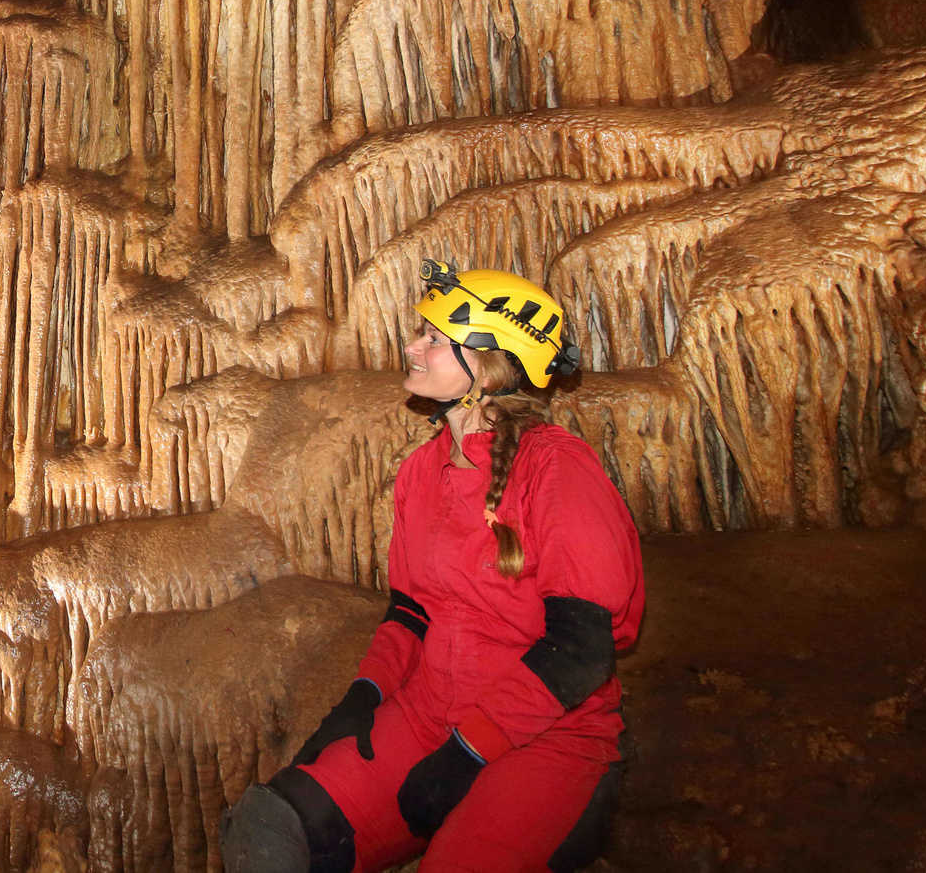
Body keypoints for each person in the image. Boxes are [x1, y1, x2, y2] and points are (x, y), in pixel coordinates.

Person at [219, 260, 644, 873]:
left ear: (491, 368)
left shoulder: (557, 470)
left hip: (546, 742)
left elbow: (579, 650)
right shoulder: (423, 472)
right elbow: (410, 616)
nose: (412, 347)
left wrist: (469, 753)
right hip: (429, 717)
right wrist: (360, 701)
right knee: (271, 827)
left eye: (436, 340)